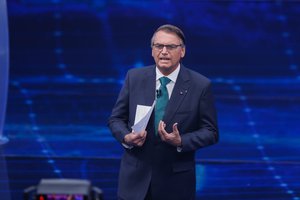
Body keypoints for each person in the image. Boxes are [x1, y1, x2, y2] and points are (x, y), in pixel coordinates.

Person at [108, 24, 219, 200]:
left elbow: (211, 132)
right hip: (134, 182)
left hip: (176, 183)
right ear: (152, 51)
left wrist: (181, 140)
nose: (164, 51)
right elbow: (116, 120)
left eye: (171, 47)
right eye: (159, 46)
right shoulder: (134, 78)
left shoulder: (200, 85)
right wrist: (127, 138)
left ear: (182, 51)